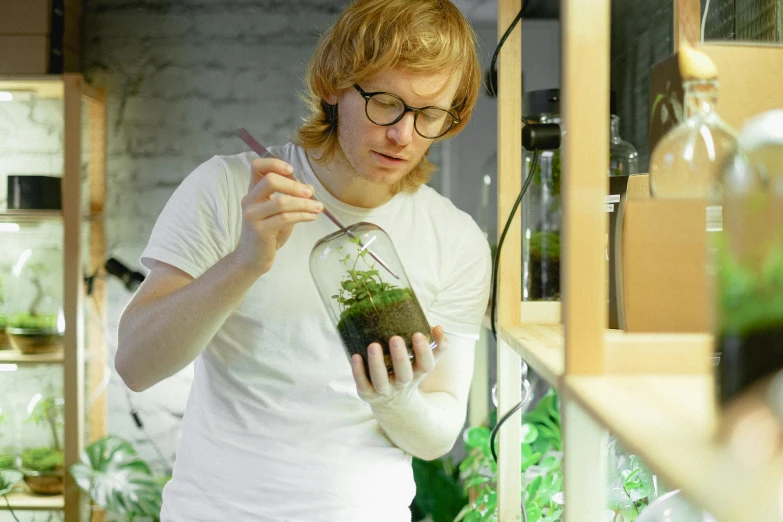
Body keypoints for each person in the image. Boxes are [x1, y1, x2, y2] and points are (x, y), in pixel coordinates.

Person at [115, 0, 491, 520]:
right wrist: (244, 262)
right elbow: (135, 364)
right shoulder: (230, 190)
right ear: (335, 85)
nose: (404, 135)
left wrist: (394, 399)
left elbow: (437, 436)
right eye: (386, 103)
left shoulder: (457, 240)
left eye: (428, 115)